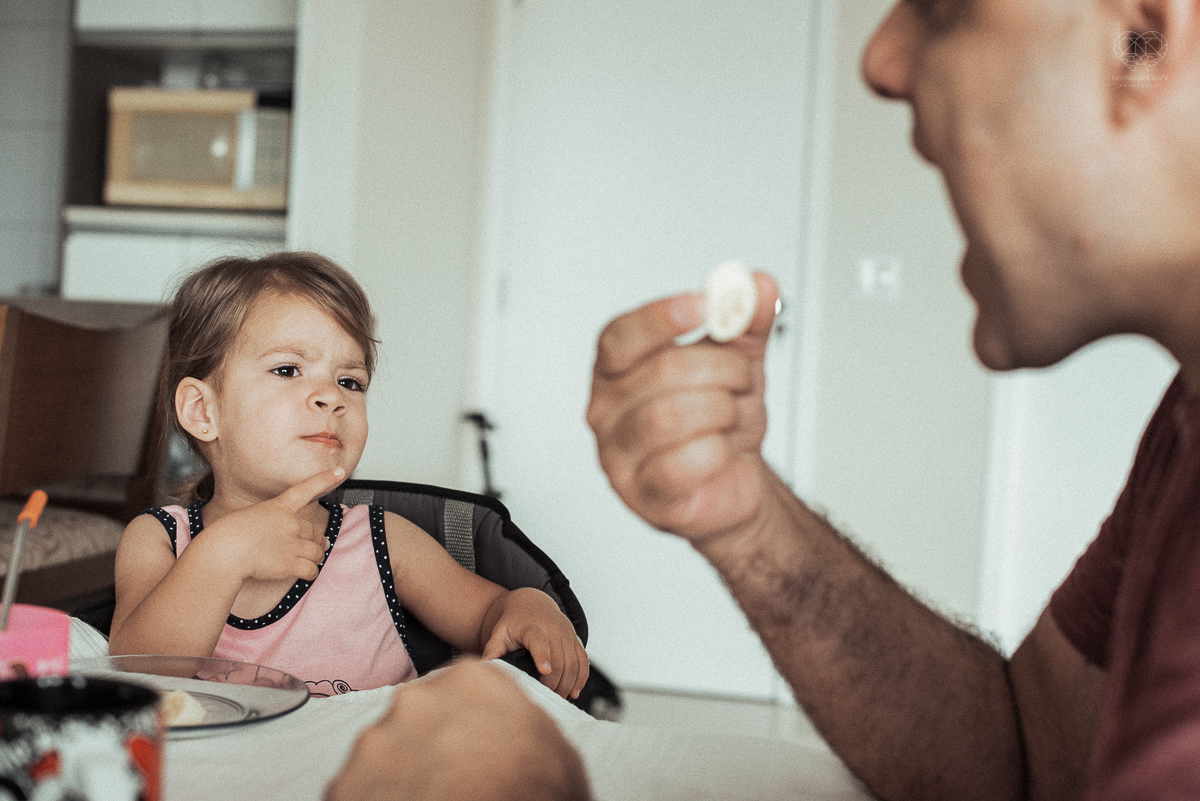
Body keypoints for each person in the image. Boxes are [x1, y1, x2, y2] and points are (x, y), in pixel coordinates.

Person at [334, 0, 1200, 798]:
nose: (881, 60)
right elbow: (1022, 761)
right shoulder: (1184, 429)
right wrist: (748, 519)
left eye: (939, 5)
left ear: (1144, 33)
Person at [108, 252, 589, 701]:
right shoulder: (159, 539)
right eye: (288, 369)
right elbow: (137, 673)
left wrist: (531, 604)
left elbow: (488, 615)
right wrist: (223, 553)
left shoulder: (381, 540)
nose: (330, 397)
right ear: (202, 410)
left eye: (349, 381)